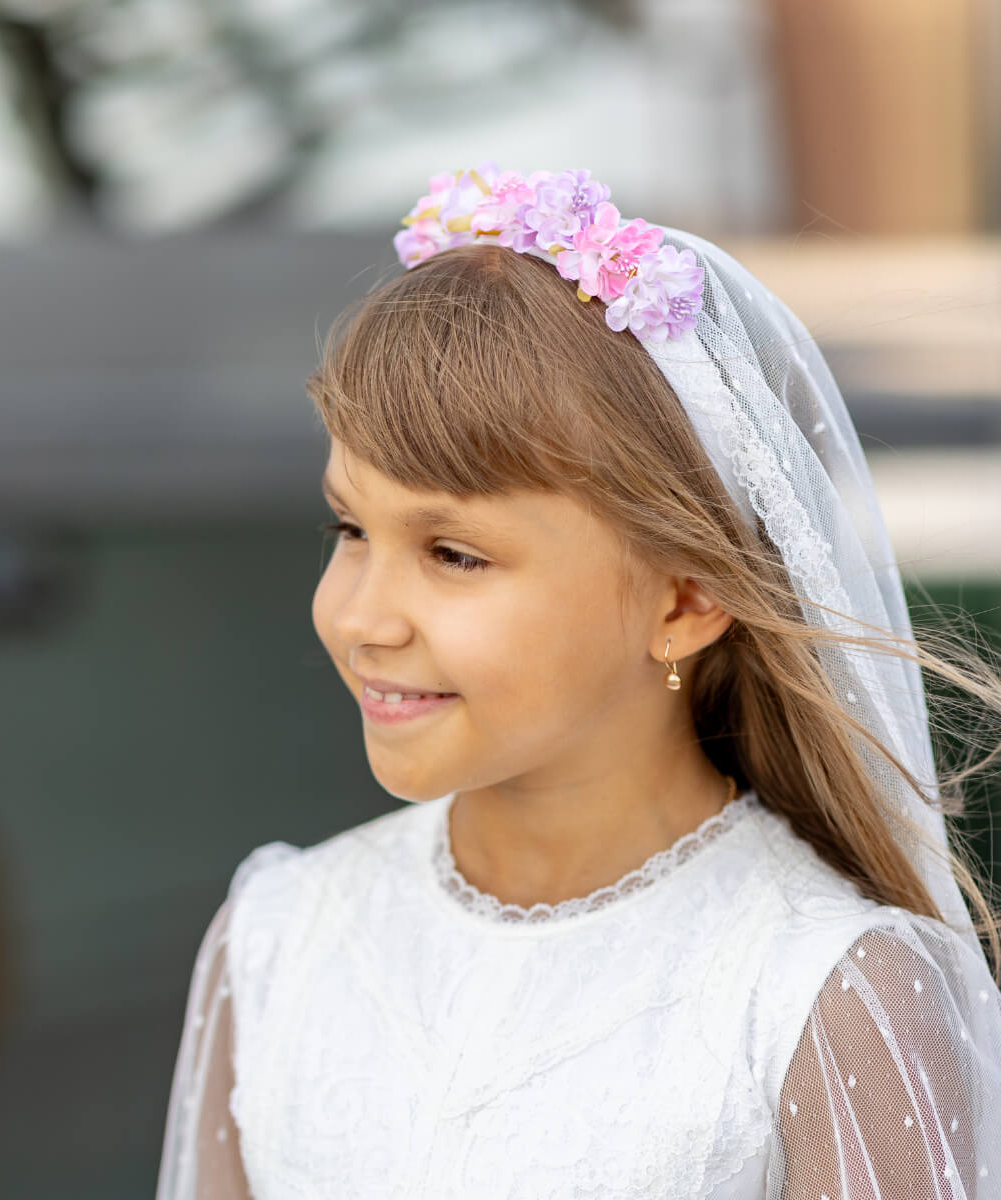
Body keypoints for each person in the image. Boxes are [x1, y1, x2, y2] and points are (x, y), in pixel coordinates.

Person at [156, 163, 1001, 1199]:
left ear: (685, 600)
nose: (363, 617)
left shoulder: (819, 987)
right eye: (350, 529)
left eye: (454, 554)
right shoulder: (281, 936)